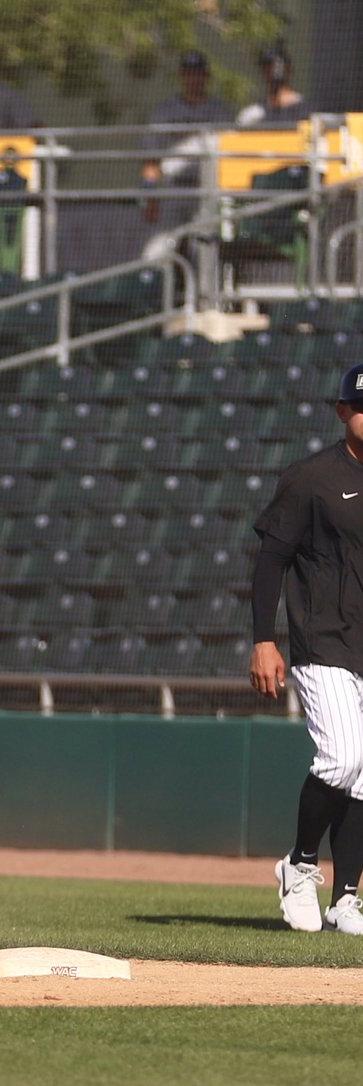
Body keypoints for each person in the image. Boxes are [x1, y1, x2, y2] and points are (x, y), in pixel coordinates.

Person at [249, 362, 363, 937]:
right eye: (362, 407)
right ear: (343, 411)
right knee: (341, 760)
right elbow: (271, 560)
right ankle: (298, 865)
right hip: (323, 640)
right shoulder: (312, 477)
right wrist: (263, 639)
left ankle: (346, 899)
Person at [140, 51, 234, 230]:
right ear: (181, 76)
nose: (193, 79)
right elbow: (151, 161)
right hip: (173, 190)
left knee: (205, 241)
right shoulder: (164, 112)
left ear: (206, 76)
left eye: (198, 73)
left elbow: (231, 159)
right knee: (167, 242)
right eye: (188, 73)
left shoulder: (221, 112)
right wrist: (148, 198)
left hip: (207, 189)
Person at [236, 46, 313, 128]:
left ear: (289, 70)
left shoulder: (307, 111)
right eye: (267, 67)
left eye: (278, 67)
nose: (273, 71)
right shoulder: (253, 114)